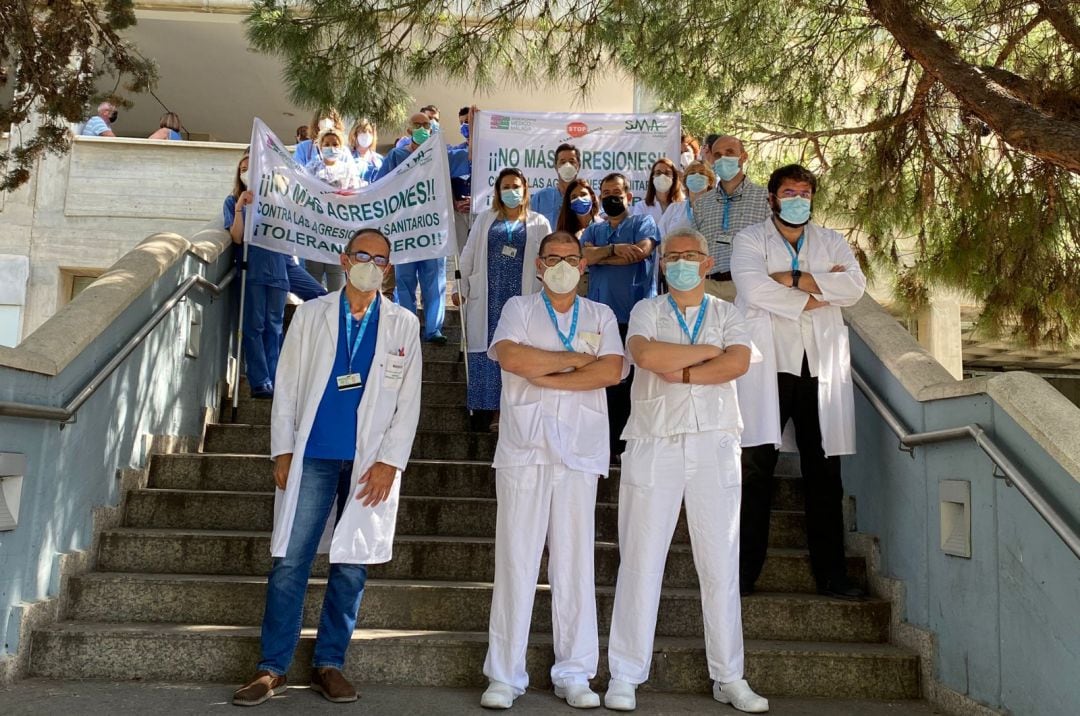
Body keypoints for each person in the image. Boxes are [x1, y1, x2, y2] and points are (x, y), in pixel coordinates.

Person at [232, 228, 422, 707]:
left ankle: (329, 663)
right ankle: (271, 667)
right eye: (363, 256)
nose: (371, 265)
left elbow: (409, 402)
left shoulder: (403, 323)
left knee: (351, 566)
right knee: (291, 562)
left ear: (389, 268)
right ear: (343, 258)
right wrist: (282, 450)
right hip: (312, 455)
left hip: (367, 463)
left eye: (381, 260)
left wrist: (389, 462)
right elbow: (289, 384)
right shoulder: (313, 313)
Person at [604, 227, 767, 714]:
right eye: (671, 256)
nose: (679, 262)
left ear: (705, 260)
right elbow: (648, 356)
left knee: (719, 565)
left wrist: (689, 370)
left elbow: (737, 363)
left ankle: (729, 676)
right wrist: (708, 355)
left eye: (689, 255)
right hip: (654, 443)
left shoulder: (728, 313)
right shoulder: (646, 311)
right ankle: (625, 674)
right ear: (661, 264)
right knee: (640, 560)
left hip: (715, 443)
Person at [479, 231, 627, 710]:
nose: (562, 264)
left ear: (584, 265)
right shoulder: (518, 309)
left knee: (576, 563)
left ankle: (576, 673)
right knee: (516, 560)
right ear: (539, 266)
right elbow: (511, 356)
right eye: (552, 258)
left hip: (580, 452)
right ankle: (504, 675)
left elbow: (609, 371)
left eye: (570, 257)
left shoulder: (600, 315)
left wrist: (543, 373)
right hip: (525, 449)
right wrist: (571, 364)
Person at [730, 164, 867, 600]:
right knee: (755, 469)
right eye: (789, 192)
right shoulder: (751, 239)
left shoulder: (831, 239)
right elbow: (753, 289)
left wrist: (792, 280)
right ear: (771, 198)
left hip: (820, 363)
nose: (798, 199)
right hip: (768, 361)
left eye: (805, 192)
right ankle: (741, 574)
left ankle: (832, 576)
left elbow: (855, 287)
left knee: (825, 470)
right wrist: (819, 293)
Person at [457, 168, 550, 430]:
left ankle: (511, 411)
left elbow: (547, 260)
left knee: (517, 347)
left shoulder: (539, 222)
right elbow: (469, 252)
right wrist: (461, 285)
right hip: (488, 296)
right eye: (506, 186)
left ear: (525, 189)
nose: (512, 191)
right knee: (487, 348)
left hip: (522, 296)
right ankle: (488, 409)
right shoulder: (485, 219)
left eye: (516, 186)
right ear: (497, 191)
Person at [580, 172, 659, 459]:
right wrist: (614, 250)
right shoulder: (594, 230)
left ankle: (628, 445)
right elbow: (584, 258)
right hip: (599, 318)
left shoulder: (643, 222)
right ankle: (605, 444)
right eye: (606, 193)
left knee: (632, 384)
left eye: (617, 192)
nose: (611, 197)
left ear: (629, 196)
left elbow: (640, 252)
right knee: (603, 381)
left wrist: (601, 257)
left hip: (634, 316)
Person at [375, 112, 449, 343]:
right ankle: (408, 326)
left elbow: (464, 163)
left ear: (433, 127)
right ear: (408, 130)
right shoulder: (396, 156)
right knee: (405, 282)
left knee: (434, 281)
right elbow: (379, 184)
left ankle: (433, 329)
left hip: (433, 230)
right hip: (405, 230)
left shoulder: (439, 155)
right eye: (417, 124)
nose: (421, 128)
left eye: (426, 124)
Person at [224, 152, 289, 399]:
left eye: (250, 167)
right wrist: (241, 207)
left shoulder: (276, 201)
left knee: (274, 327)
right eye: (242, 168)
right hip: (251, 271)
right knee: (254, 326)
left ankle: (275, 377)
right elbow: (237, 237)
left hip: (277, 271)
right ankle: (260, 380)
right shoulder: (232, 202)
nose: (246, 172)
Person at [693, 136, 770, 302]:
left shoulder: (765, 198)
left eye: (729, 152)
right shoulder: (702, 203)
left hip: (747, 287)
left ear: (743, 157)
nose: (723, 158)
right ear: (711, 159)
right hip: (708, 287)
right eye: (718, 154)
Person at [304, 127, 359, 291]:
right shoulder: (312, 167)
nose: (331, 147)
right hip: (315, 232)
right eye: (326, 144)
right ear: (320, 147)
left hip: (338, 235)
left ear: (341, 147)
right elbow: (303, 190)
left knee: (337, 279)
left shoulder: (348, 169)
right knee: (313, 279)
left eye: (335, 144)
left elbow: (356, 195)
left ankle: (336, 314)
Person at [529, 143, 581, 229]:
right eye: (563, 162)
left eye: (572, 161)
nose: (567, 166)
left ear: (578, 166)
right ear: (556, 166)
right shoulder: (540, 198)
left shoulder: (586, 197)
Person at [632, 158, 683, 230]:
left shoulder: (682, 206)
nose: (662, 176)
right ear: (652, 177)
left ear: (673, 178)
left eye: (667, 173)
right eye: (658, 173)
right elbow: (639, 232)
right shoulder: (641, 206)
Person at [348, 118, 383, 185]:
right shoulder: (348, 157)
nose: (367, 135)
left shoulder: (380, 160)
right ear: (355, 135)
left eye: (370, 132)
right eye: (363, 131)